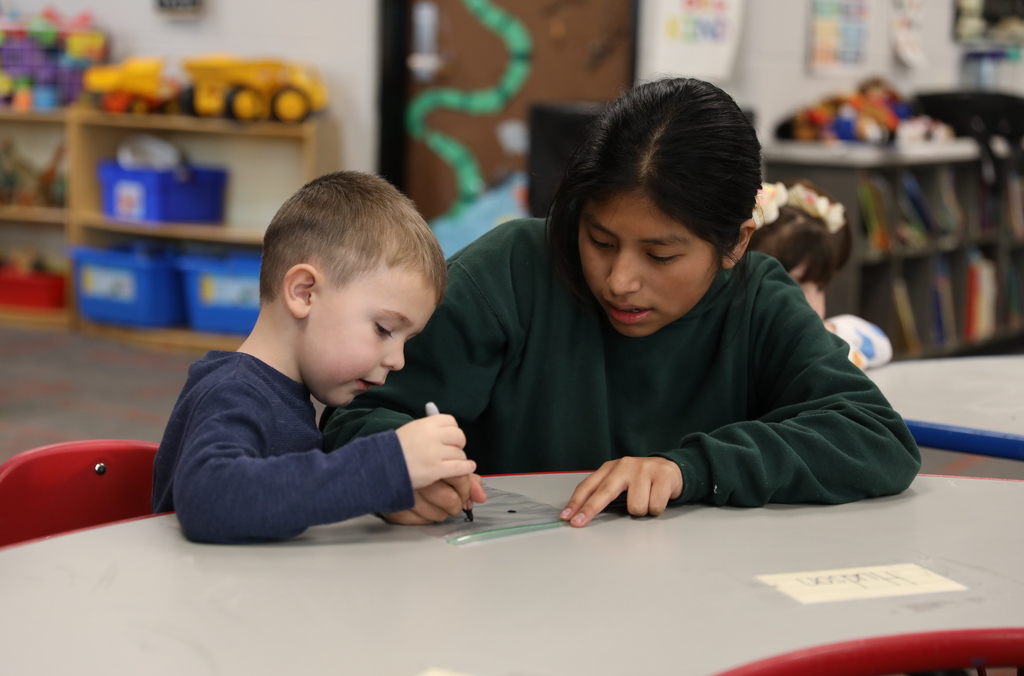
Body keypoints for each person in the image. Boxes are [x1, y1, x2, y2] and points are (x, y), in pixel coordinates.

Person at [322, 77, 921, 528]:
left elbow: (876, 438)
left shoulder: (757, 299)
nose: (619, 281)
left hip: (699, 604)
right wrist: (392, 473)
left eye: (660, 256)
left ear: (735, 243)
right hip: (502, 601)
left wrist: (690, 469)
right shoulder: (513, 269)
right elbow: (356, 417)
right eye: (599, 240)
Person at [151, 171, 484, 543]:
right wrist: (389, 465)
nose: (398, 361)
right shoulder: (234, 392)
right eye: (384, 329)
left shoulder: (288, 397)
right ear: (304, 293)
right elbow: (208, 500)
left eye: (407, 340)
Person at [749, 180, 893, 370]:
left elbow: (882, 345)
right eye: (794, 289)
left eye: (819, 288)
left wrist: (833, 331)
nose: (814, 305)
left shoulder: (826, 335)